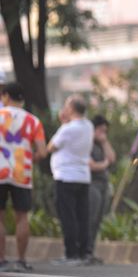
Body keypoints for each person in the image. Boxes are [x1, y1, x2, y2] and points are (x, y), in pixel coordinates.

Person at [0, 83, 47, 272]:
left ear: (5, 96)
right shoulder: (33, 121)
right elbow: (42, 151)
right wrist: (30, 158)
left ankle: (1, 260)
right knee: (22, 217)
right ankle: (21, 260)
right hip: (22, 173)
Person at [48, 95, 94, 266]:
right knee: (82, 216)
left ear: (71, 109)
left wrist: (63, 123)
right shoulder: (89, 126)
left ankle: (71, 253)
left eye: (66, 106)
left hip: (65, 176)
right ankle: (83, 252)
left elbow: (51, 146)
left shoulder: (67, 129)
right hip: (83, 176)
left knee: (68, 216)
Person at [86, 115, 116, 265]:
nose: (103, 134)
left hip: (103, 184)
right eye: (101, 130)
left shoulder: (101, 144)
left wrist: (104, 142)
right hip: (91, 184)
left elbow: (112, 157)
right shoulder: (87, 142)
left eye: (105, 131)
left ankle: (90, 251)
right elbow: (91, 165)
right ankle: (84, 251)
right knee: (90, 218)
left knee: (98, 219)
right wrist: (104, 164)